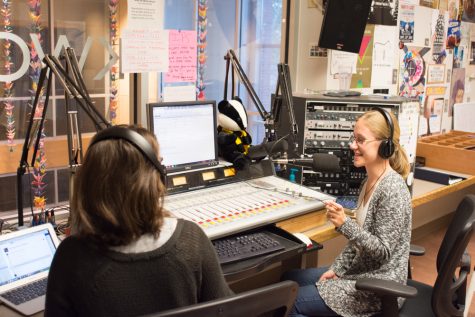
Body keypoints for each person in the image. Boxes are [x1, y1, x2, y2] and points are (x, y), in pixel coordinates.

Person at [45, 125, 232, 317]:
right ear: (155, 176)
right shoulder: (191, 239)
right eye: (160, 163)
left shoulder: (70, 256)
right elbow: (226, 310)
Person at [282, 109, 412, 317]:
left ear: (385, 146)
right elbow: (358, 244)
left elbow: (382, 251)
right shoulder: (368, 181)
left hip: (377, 287)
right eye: (354, 138)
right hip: (360, 273)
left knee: (290, 302)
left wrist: (345, 224)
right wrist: (338, 268)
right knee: (290, 278)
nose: (352, 145)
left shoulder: (392, 190)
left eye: (360, 140)